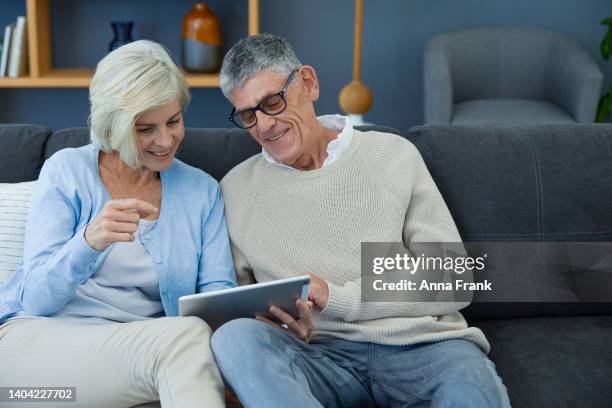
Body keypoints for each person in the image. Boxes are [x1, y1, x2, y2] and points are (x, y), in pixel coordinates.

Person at [211, 33, 511, 408]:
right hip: (318, 357)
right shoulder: (236, 190)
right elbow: (235, 306)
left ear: (308, 82)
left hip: (421, 349)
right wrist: (276, 323)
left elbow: (453, 279)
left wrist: (336, 297)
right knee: (234, 338)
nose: (265, 126)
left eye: (273, 102)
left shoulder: (392, 156)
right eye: (248, 114)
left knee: (470, 390)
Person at [0, 40, 236, 407]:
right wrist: (88, 241)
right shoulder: (67, 171)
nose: (165, 140)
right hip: (34, 355)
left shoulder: (201, 191)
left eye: (173, 121)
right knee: (185, 339)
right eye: (145, 129)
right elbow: (34, 299)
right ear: (114, 126)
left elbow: (217, 299)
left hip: (138, 358)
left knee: (188, 337)